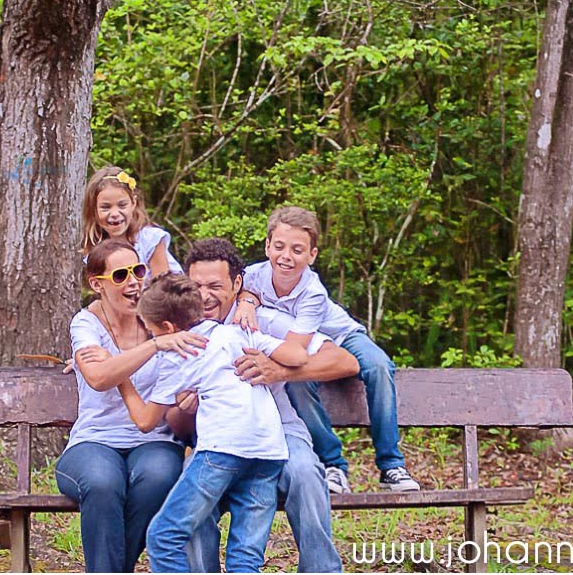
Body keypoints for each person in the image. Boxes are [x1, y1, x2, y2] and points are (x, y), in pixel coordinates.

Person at [116, 272, 307, 573]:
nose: (153, 337)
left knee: (163, 536)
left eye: (152, 331)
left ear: (168, 329)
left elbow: (145, 420)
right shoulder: (237, 332)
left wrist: (123, 382)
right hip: (269, 453)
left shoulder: (179, 353)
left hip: (222, 452)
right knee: (245, 558)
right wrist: (270, 362)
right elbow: (297, 354)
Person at [184, 237, 351, 572]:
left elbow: (343, 360)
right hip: (217, 439)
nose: (204, 295)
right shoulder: (181, 329)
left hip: (281, 430)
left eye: (215, 285)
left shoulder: (262, 320)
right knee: (188, 493)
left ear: (237, 284)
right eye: (196, 285)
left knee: (305, 474)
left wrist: (278, 369)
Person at [234, 206, 421, 493]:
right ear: (267, 246)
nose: (286, 256)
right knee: (296, 385)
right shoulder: (252, 275)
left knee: (379, 367)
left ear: (312, 256)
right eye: (280, 247)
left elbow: (296, 350)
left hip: (339, 337)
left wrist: (275, 368)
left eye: (297, 250)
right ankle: (333, 463)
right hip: (300, 341)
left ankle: (391, 464)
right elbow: (245, 291)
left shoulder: (313, 291)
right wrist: (247, 300)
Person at [55, 239, 206, 573]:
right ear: (98, 284)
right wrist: (153, 347)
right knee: (102, 482)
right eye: (121, 275)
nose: (134, 281)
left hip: (153, 440)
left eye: (138, 271)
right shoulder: (86, 323)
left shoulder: (155, 318)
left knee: (158, 477)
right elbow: (97, 377)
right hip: (94, 440)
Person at [81, 166, 183, 275]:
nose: (115, 214)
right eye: (106, 207)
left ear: (133, 203)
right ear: (93, 209)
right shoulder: (95, 251)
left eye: (122, 205)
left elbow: (163, 285)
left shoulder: (149, 240)